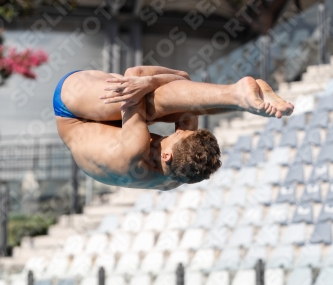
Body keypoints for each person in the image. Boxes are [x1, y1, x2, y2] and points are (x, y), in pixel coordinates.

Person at [53, 66, 294, 190]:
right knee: (182, 106)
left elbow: (134, 75)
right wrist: (182, 84)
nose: (177, 130)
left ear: (167, 155)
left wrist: (151, 81)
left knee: (144, 98)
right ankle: (245, 103)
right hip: (106, 131)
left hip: (70, 109)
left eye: (178, 134)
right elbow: (189, 105)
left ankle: (236, 96)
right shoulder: (178, 176)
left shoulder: (134, 150)